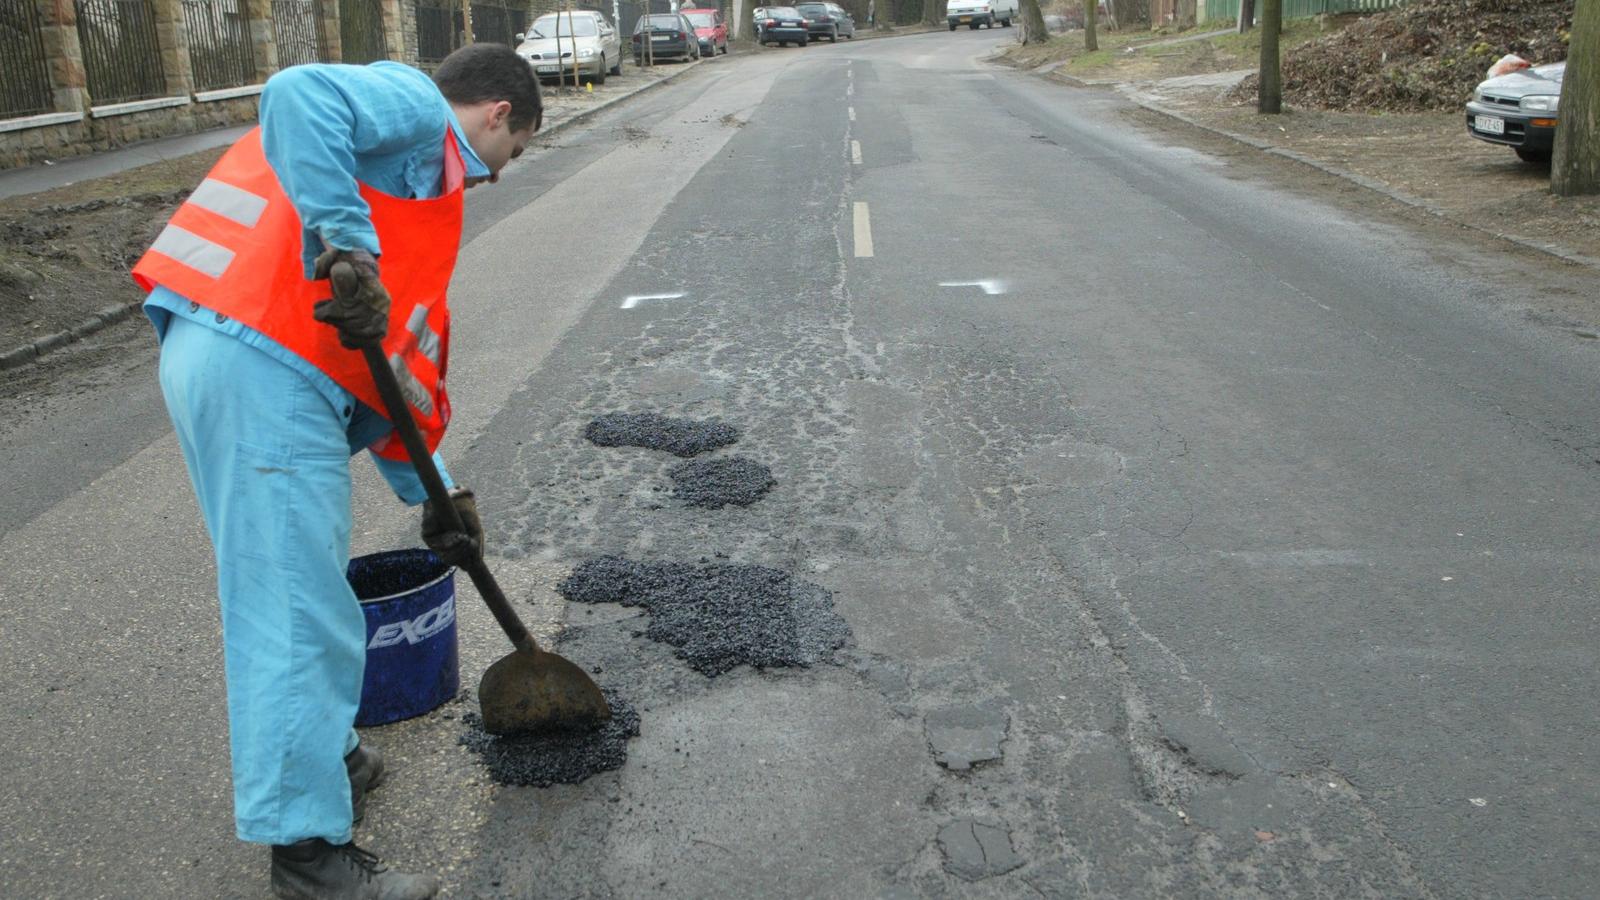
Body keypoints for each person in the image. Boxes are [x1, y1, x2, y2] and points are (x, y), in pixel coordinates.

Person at [132, 44, 541, 900]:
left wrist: (437, 496)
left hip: (260, 363)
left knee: (296, 587)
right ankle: (308, 855)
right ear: (498, 112)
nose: (499, 177)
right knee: (295, 611)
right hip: (260, 361)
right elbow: (294, 92)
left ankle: (329, 756)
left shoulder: (416, 190)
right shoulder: (413, 107)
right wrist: (346, 244)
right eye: (517, 152)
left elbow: (387, 373)